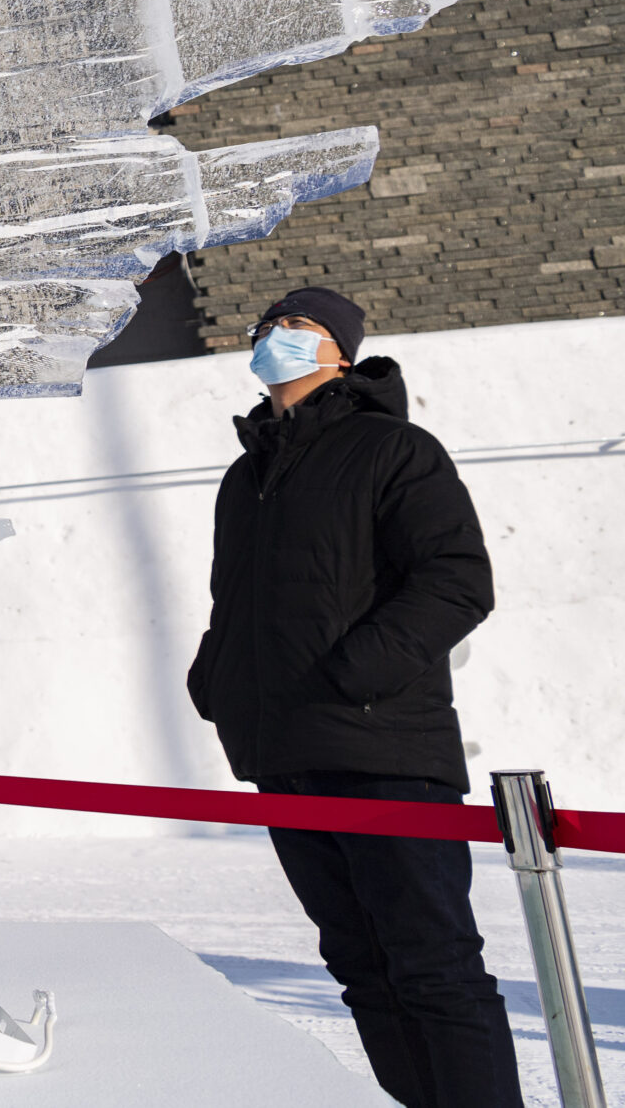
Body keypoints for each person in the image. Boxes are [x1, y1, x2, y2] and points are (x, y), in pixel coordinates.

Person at [186, 285, 520, 1108]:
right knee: (360, 964)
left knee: (433, 962)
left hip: (384, 752)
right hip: (284, 755)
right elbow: (240, 603)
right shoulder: (246, 475)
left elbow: (456, 582)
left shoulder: (395, 449)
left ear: (340, 349)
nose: (274, 337)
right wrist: (217, 679)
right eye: (268, 325)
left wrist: (350, 674)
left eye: (296, 326)